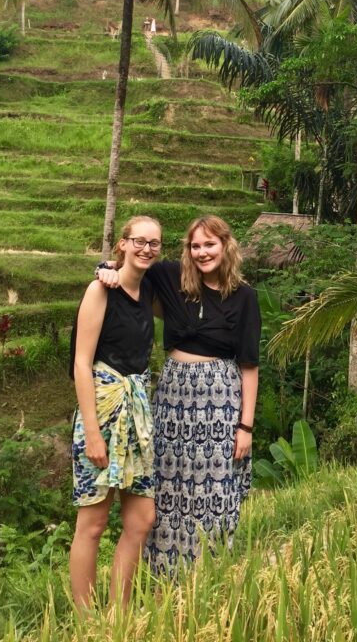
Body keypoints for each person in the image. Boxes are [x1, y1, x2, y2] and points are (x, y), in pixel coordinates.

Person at [98, 214, 260, 576]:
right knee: (169, 488)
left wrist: (245, 427)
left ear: (225, 246)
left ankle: (209, 575)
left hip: (220, 402)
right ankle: (164, 579)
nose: (203, 253)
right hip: (173, 397)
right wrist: (104, 268)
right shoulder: (171, 277)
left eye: (210, 244)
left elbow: (249, 365)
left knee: (215, 489)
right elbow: (131, 263)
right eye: (196, 245)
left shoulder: (244, 297)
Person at [69, 215, 161, 609]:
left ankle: (119, 615)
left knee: (141, 521)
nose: (146, 248)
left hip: (136, 416)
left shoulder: (149, 293)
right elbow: (81, 363)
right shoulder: (100, 290)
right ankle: (87, 618)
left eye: (154, 243)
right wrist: (91, 430)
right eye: (138, 240)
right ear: (122, 243)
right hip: (103, 411)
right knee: (93, 524)